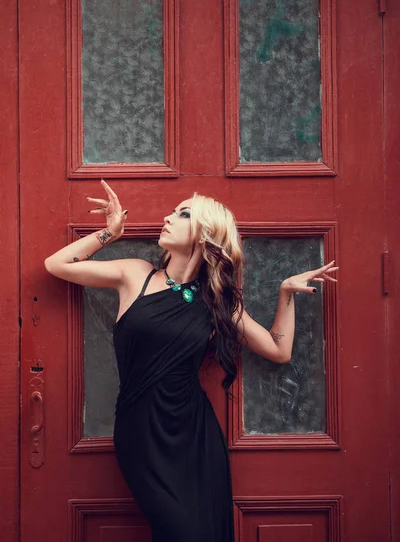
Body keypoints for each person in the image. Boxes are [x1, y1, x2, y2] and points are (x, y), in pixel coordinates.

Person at [44, 179, 338, 542]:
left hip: (196, 437)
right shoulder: (135, 274)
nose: (168, 217)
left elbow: (279, 350)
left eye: (183, 214)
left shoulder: (218, 302)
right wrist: (109, 232)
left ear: (204, 234)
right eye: (172, 211)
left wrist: (285, 293)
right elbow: (56, 264)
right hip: (141, 433)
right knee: (177, 530)